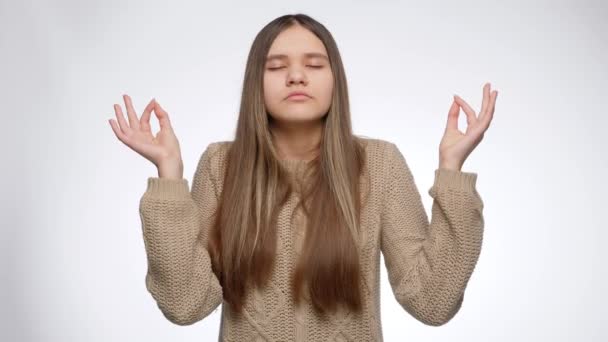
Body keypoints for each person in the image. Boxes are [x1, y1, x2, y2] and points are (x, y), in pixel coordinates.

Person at [108, 13, 497, 342]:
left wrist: (452, 172)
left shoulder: (379, 163)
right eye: (276, 67)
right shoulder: (220, 165)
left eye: (314, 65)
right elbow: (185, 304)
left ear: (335, 80)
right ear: (255, 84)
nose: (296, 76)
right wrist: (170, 179)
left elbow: (432, 301)